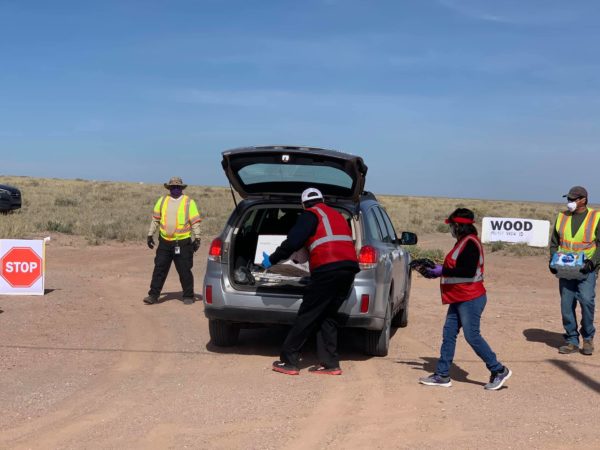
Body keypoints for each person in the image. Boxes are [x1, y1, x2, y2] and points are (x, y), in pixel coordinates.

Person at [263, 187, 359, 375]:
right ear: (322, 200)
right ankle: (330, 364)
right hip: (348, 269)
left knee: (308, 314)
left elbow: (292, 242)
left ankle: (289, 361)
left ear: (304, 204)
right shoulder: (338, 215)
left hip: (327, 270)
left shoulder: (310, 215)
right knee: (328, 315)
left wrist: (272, 260)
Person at [419, 208, 512, 391]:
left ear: (459, 226)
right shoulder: (463, 242)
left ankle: (498, 369)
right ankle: (442, 375)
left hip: (470, 298)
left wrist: (441, 271)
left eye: (452, 225)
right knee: (449, 334)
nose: (451, 229)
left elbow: (467, 271)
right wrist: (435, 271)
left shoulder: (470, 243)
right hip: (459, 296)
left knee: (472, 336)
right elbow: (457, 267)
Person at [549, 186, 599, 355]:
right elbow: (554, 242)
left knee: (587, 301)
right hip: (565, 269)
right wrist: (552, 260)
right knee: (566, 304)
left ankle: (587, 338)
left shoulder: (596, 216)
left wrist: (592, 263)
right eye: (568, 199)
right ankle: (571, 339)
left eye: (573, 199)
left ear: (583, 200)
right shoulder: (562, 217)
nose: (569, 202)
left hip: (586, 269)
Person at [143, 177, 202, 305]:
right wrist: (150, 235)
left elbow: (195, 222)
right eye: (173, 187)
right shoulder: (162, 201)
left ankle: (188, 295)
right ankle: (153, 295)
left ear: (181, 188)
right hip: (164, 242)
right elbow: (155, 219)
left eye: (177, 187)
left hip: (183, 243)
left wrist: (197, 238)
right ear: (169, 188)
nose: (175, 189)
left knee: (185, 270)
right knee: (159, 269)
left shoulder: (188, 202)